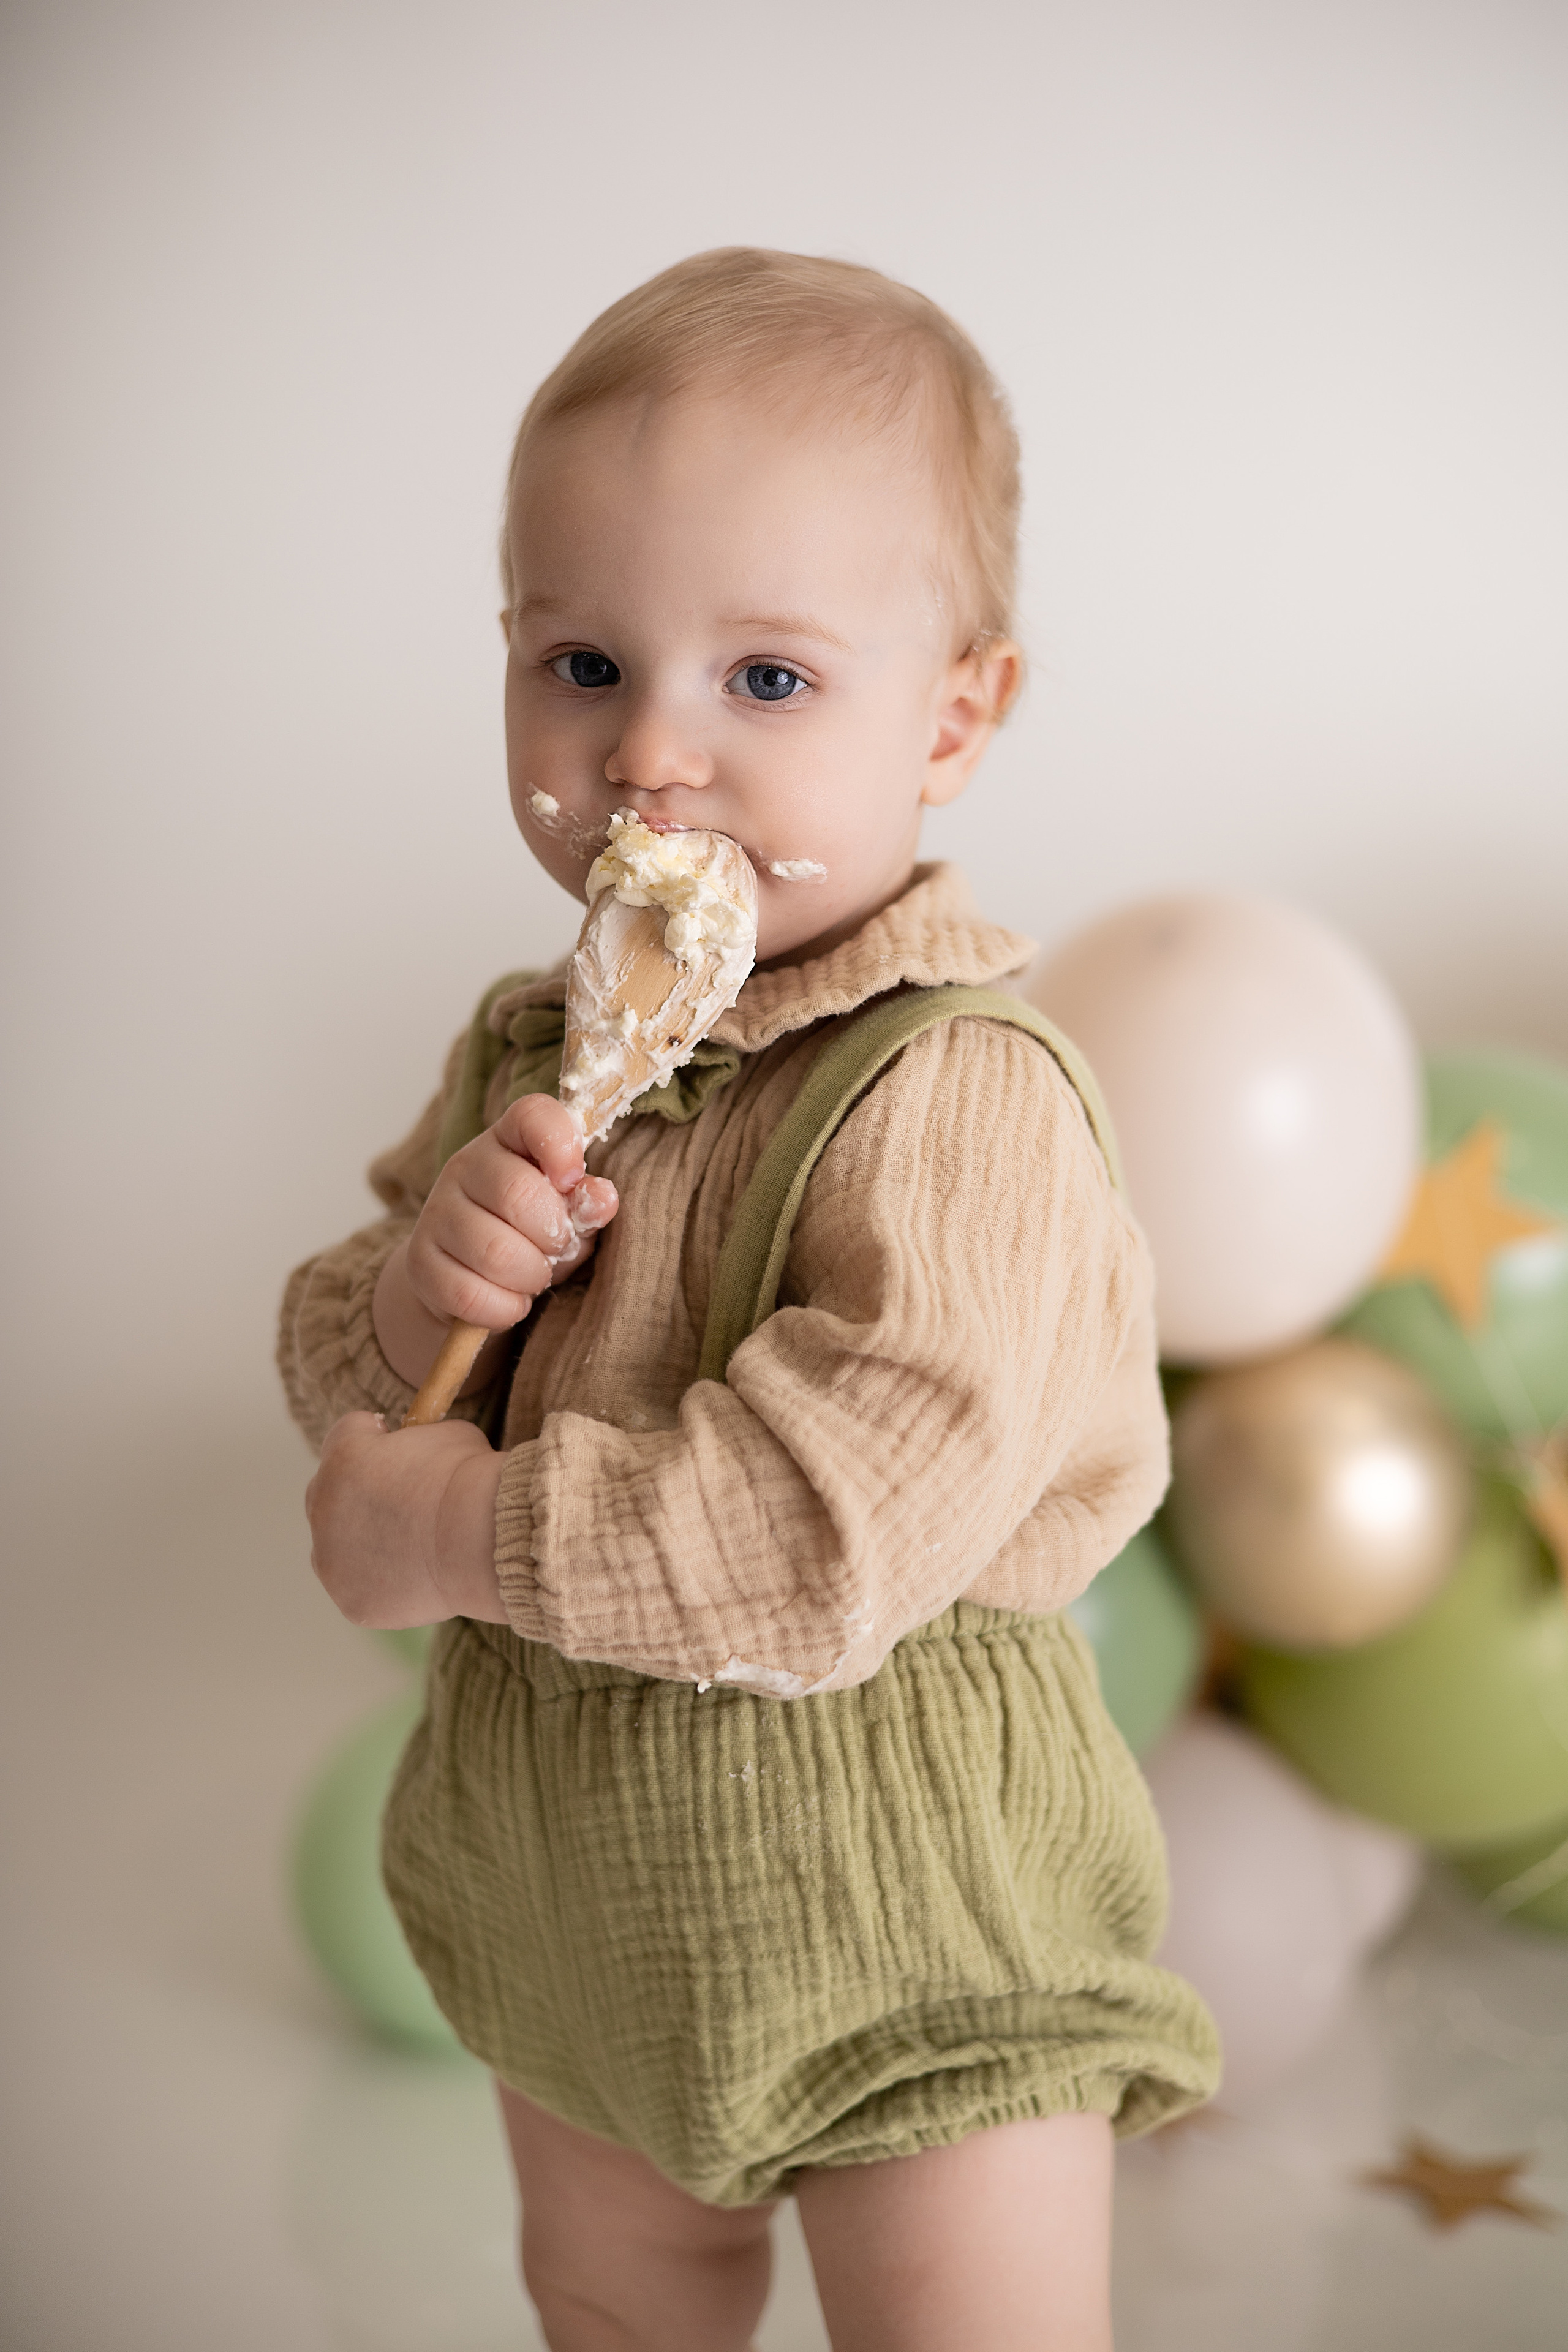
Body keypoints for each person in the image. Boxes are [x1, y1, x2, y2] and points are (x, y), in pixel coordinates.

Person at [284, 247, 1218, 2352]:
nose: (653, 761)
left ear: (957, 714)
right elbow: (353, 1352)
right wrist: (423, 1277)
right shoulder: (530, 1048)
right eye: (584, 663)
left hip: (912, 1925)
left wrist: (461, 1528)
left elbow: (827, 1533)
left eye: (767, 683)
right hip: (579, 1919)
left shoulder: (958, 1093)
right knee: (613, 2303)